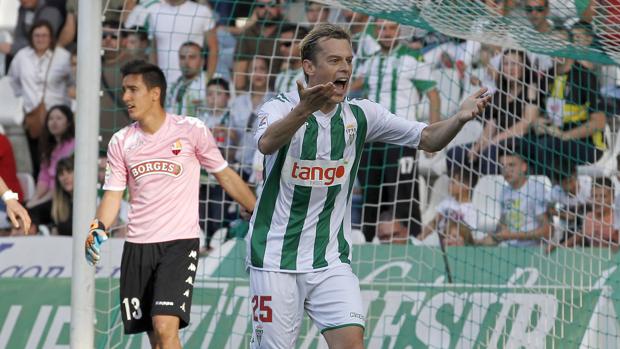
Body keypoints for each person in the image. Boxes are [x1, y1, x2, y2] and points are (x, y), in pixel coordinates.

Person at [247, 24, 490, 348]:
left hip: (329, 260)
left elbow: (429, 138)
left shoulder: (362, 115)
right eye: (334, 60)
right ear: (309, 66)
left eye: (348, 60)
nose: (345, 67)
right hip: (275, 258)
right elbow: (266, 143)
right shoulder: (276, 107)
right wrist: (304, 110)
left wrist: (459, 118)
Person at [84, 60, 256, 348]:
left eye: (132, 89)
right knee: (156, 336)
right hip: (137, 247)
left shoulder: (191, 129)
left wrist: (258, 210)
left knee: (165, 327)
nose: (125, 97)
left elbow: (224, 174)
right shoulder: (120, 142)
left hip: (179, 243)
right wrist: (98, 227)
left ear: (155, 93)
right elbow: (113, 194)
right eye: (124, 89)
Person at [447, 49, 541, 175]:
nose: (510, 68)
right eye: (506, 64)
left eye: (515, 64)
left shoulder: (531, 88)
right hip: (499, 142)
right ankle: (463, 190)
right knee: (455, 153)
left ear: (524, 67)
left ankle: (489, 191)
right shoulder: (499, 93)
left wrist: (494, 141)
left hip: (522, 141)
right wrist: (478, 146)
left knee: (490, 151)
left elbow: (526, 124)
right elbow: (492, 124)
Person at [8, 20, 71, 176]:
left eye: (44, 35)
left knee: (58, 160)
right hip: (33, 117)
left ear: (51, 37)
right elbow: (13, 79)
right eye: (37, 35)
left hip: (57, 115)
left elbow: (72, 82)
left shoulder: (62, 56)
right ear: (31, 37)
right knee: (38, 162)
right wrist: (24, 98)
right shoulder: (22, 56)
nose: (40, 39)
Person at [124, 0, 218, 84]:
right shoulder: (154, 10)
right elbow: (153, 49)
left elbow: (214, 47)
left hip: (193, 84)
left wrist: (207, 80)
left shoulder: (202, 11)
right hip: (163, 83)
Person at [479, 150, 552, 247]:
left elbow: (546, 231)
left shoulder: (536, 190)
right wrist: (490, 238)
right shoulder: (505, 192)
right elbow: (503, 224)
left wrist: (512, 236)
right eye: (503, 165)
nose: (506, 170)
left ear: (524, 167)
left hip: (533, 250)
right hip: (509, 250)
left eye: (511, 165)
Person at [27, 105, 75, 209]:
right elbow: (43, 180)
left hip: (62, 197)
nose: (54, 122)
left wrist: (37, 204)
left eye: (59, 118)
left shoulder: (73, 146)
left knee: (32, 212)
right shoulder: (48, 149)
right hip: (49, 197)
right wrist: (34, 199)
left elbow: (58, 185)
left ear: (69, 123)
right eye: (50, 119)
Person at [233, 0, 286, 90]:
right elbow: (240, 74)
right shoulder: (247, 34)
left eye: (271, 5)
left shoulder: (288, 32)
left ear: (279, 8)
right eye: (261, 6)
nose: (266, 9)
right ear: (255, 9)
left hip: (281, 92)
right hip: (251, 94)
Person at [419, 171, 478, 247]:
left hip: (456, 242)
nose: (449, 185)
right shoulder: (446, 202)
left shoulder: (471, 209)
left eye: (453, 183)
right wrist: (421, 237)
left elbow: (468, 234)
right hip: (440, 237)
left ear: (466, 186)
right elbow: (434, 222)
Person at [166, 41, 208, 117]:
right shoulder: (171, 86)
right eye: (182, 57)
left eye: (192, 57)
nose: (186, 62)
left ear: (202, 61)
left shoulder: (211, 83)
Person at [274, 24, 309, 93]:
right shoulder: (280, 76)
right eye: (280, 45)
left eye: (287, 44)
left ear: (302, 44)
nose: (282, 49)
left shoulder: (312, 75)